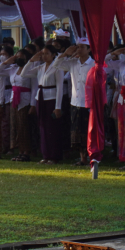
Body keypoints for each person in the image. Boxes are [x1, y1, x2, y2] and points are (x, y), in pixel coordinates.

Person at [51, 38, 95, 166]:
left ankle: (90, 157)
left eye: (82, 47)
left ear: (89, 49)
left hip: (89, 102)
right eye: (78, 46)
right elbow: (56, 65)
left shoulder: (93, 64)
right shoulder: (72, 62)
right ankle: (82, 158)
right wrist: (65, 54)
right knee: (76, 131)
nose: (79, 49)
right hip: (75, 101)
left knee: (87, 131)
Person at [22, 45, 65, 164]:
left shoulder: (57, 68)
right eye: (43, 54)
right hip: (40, 98)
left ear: (53, 55)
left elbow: (60, 88)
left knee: (52, 128)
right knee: (42, 128)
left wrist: (58, 107)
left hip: (51, 99)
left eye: (47, 53)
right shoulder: (40, 68)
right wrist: (31, 61)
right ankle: (45, 155)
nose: (44, 56)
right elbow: (24, 74)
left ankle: (54, 156)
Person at [0, 50, 37, 161]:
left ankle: (26, 151)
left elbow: (34, 88)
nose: (19, 59)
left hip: (25, 100)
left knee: (24, 126)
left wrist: (33, 104)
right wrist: (7, 62)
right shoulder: (12, 69)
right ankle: (19, 150)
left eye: (21, 57)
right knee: (15, 126)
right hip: (13, 99)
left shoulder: (30, 70)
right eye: (17, 57)